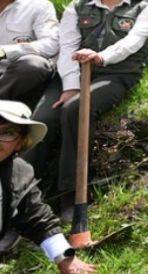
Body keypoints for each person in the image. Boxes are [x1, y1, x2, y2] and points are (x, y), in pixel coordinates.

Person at [27, 0, 148, 221]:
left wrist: (101, 57)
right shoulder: (77, 7)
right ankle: (21, 198)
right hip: (71, 73)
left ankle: (71, 195)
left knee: (75, 110)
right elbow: (67, 46)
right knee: (41, 121)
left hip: (116, 74)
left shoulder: (144, 8)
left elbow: (133, 42)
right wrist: (71, 85)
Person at [0, 101, 96, 272]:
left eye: (8, 133)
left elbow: (37, 219)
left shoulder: (18, 173)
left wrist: (66, 259)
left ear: (20, 143)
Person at [0, 0, 59, 107]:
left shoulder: (38, 6)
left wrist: (4, 52)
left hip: (17, 75)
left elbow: (52, 43)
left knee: (33, 64)